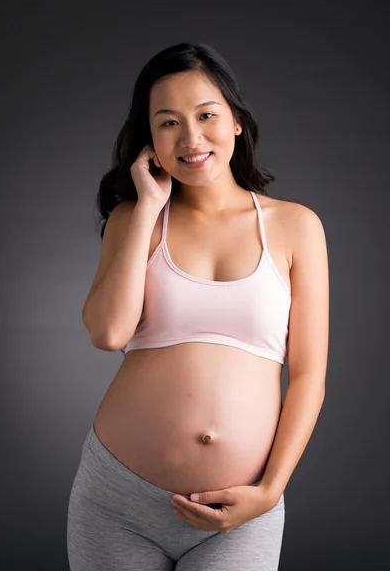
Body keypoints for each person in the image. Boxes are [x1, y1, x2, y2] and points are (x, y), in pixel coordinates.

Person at [67, 42, 329, 570]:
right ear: (150, 141)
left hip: (241, 506)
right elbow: (109, 332)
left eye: (206, 115)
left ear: (235, 121)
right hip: (117, 502)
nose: (190, 139)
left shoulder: (296, 226)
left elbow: (307, 375)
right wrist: (145, 208)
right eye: (168, 123)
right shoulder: (133, 219)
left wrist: (271, 490)